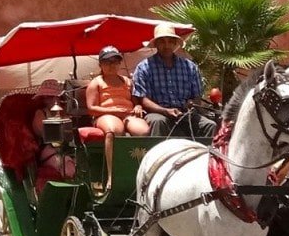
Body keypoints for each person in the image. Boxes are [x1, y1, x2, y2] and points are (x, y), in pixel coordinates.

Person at [132, 23, 217, 138]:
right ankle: (158, 155)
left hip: (184, 113)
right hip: (157, 113)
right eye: (162, 41)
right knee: (158, 122)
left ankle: (205, 155)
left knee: (209, 125)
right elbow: (143, 100)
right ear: (156, 44)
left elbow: (196, 96)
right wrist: (165, 111)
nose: (167, 45)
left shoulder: (190, 67)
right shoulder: (144, 67)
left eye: (170, 41)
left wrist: (191, 105)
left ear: (175, 43)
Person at [87, 46, 150, 191]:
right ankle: (112, 176)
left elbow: (136, 102)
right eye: (108, 62)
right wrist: (112, 110)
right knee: (112, 131)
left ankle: (141, 174)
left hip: (127, 114)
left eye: (115, 62)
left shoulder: (128, 81)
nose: (112, 65)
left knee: (144, 131)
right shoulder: (96, 83)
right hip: (105, 114)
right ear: (100, 65)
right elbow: (91, 108)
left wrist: (138, 107)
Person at [30, 79, 75, 189]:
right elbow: (42, 133)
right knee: (67, 168)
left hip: (70, 148)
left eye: (52, 96)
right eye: (46, 97)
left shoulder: (66, 112)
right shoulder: (40, 113)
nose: (49, 100)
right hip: (49, 149)